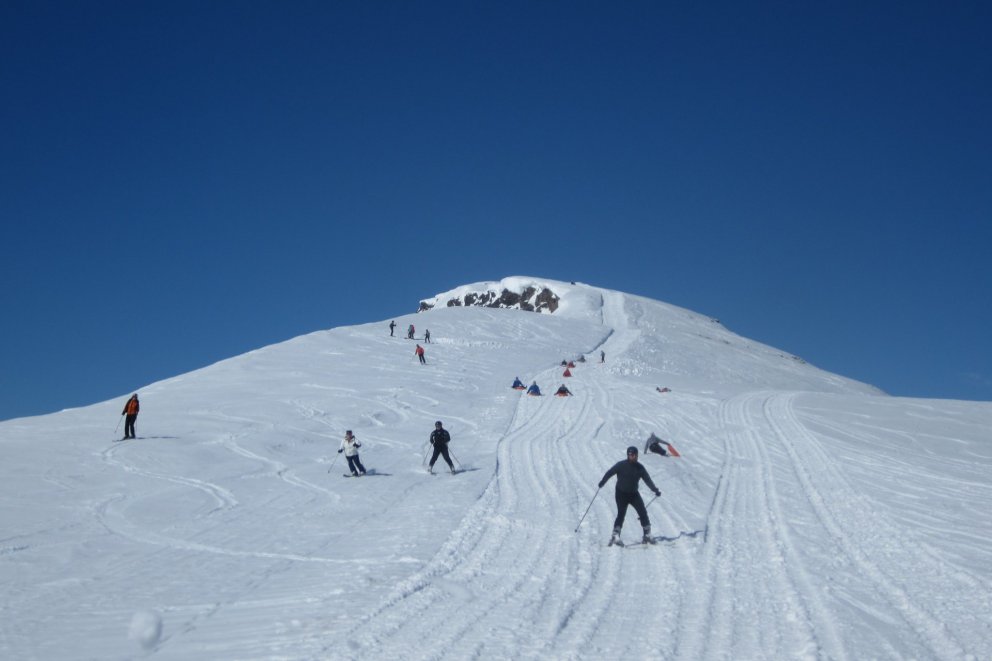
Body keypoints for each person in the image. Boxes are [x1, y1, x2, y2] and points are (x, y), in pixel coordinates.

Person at [598, 446, 661, 545]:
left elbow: (647, 480)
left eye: (634, 455)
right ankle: (615, 535)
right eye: (630, 455)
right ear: (628, 455)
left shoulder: (640, 468)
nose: (632, 456)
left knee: (643, 512)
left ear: (637, 455)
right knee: (621, 514)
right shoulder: (621, 465)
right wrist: (602, 482)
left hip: (633, 494)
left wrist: (655, 490)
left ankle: (647, 534)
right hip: (621, 493)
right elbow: (610, 472)